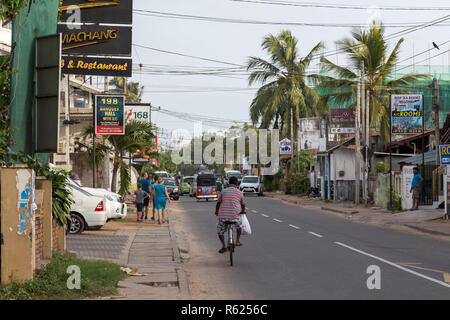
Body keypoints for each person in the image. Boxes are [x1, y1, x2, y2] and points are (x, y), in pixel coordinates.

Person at [214, 176, 246, 254]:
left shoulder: (223, 191)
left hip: (223, 216)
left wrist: (217, 211)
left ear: (228, 183)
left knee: (220, 231)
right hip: (235, 216)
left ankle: (224, 246)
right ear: (237, 183)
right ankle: (237, 241)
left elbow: (218, 203)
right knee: (239, 226)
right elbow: (243, 204)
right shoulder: (240, 192)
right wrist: (243, 211)